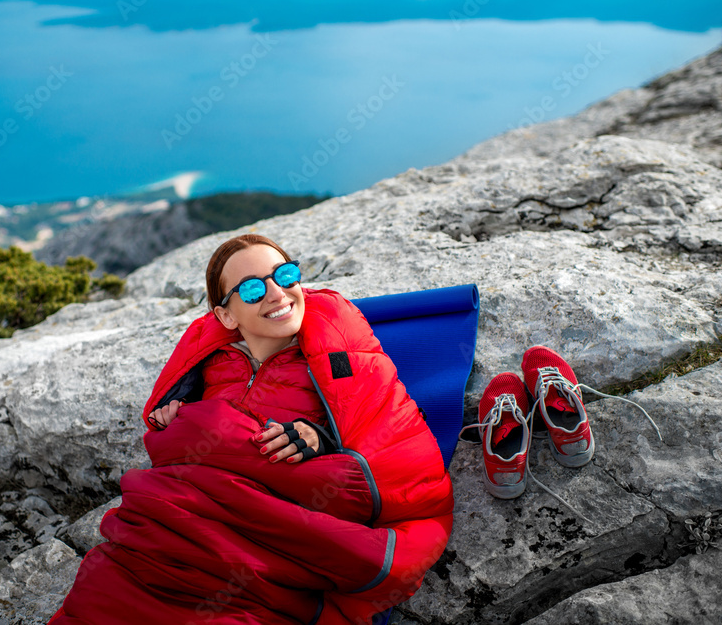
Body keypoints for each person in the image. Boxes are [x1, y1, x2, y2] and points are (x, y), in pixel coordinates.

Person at [49, 234, 454, 625]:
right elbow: (185, 457)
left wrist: (320, 438)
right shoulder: (212, 363)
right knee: (105, 597)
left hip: (263, 557)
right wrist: (180, 423)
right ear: (225, 315)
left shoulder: (338, 360)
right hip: (168, 540)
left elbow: (390, 452)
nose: (277, 294)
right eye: (253, 290)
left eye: (285, 276)